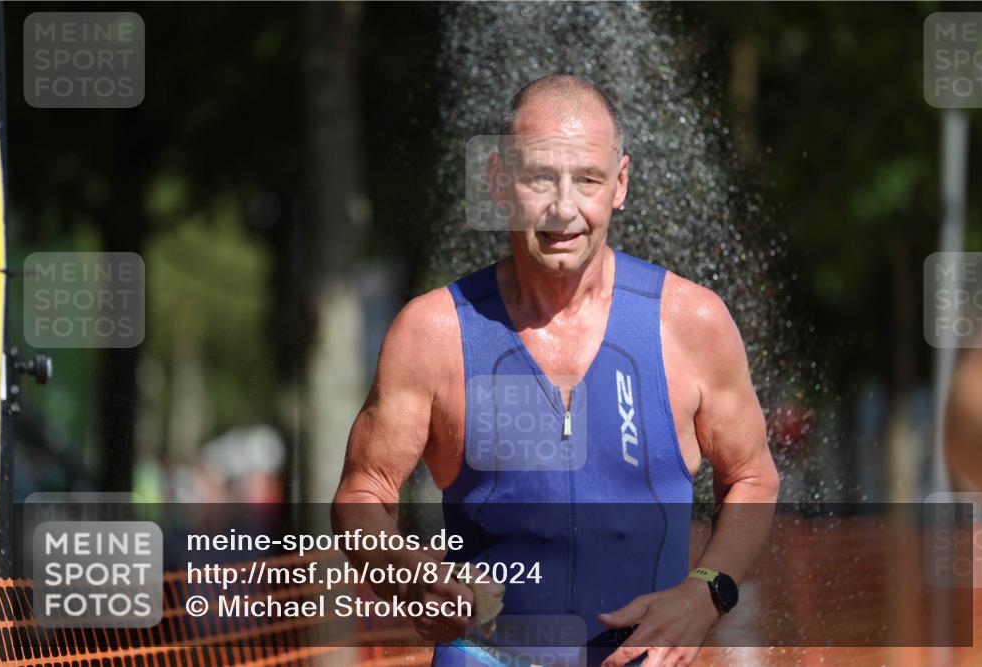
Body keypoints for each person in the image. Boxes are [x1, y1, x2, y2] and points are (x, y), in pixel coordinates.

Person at [332, 74, 780, 667]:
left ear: (619, 183)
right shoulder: (433, 332)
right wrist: (405, 574)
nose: (564, 208)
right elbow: (362, 494)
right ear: (498, 181)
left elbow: (752, 476)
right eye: (539, 177)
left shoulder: (690, 323)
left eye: (588, 180)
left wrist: (707, 591)